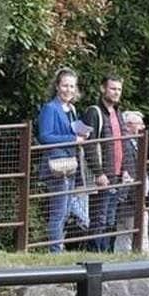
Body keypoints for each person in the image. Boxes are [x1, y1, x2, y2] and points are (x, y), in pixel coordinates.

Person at [37, 68, 88, 252]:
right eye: (65, 85)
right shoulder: (50, 108)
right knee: (59, 210)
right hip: (56, 164)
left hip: (71, 163)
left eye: (72, 86)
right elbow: (45, 136)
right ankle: (55, 249)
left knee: (66, 210)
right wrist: (72, 139)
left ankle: (58, 245)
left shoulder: (72, 109)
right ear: (57, 86)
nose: (68, 89)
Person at [82, 74, 126, 252]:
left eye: (119, 89)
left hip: (117, 174)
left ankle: (106, 255)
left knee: (110, 219)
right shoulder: (94, 112)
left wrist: (126, 170)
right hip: (103, 175)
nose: (116, 93)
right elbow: (90, 144)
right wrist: (98, 172)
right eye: (112, 88)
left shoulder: (118, 113)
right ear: (103, 89)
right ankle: (95, 255)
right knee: (99, 218)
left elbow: (123, 143)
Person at [115, 110, 147, 253]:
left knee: (124, 235)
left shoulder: (133, 143)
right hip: (131, 198)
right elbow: (129, 171)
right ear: (128, 126)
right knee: (134, 232)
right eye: (139, 123)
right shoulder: (126, 144)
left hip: (131, 197)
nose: (143, 126)